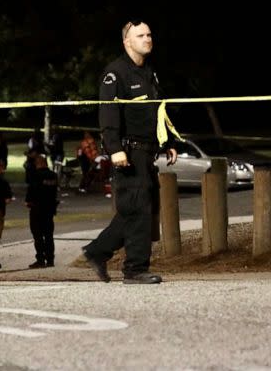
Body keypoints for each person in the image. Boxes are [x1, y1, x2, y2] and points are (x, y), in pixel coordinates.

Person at [81, 19, 180, 285]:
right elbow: (108, 113)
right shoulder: (115, 73)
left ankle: (96, 252)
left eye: (149, 34)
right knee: (139, 211)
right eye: (140, 35)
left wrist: (168, 141)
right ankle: (135, 269)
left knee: (133, 210)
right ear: (127, 42)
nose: (147, 38)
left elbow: (157, 111)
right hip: (128, 152)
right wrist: (114, 149)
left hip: (147, 153)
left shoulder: (149, 73)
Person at [25, 155, 59, 268]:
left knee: (38, 235)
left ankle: (40, 259)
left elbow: (32, 191)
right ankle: (50, 259)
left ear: (37, 164)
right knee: (49, 235)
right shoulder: (53, 176)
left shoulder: (35, 175)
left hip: (37, 209)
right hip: (49, 209)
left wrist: (28, 201)